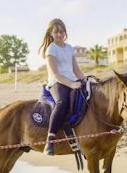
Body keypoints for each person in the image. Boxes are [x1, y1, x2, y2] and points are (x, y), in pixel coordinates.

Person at [39, 18, 86, 155]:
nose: (59, 34)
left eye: (62, 31)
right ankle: (50, 139)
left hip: (71, 80)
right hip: (56, 82)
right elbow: (55, 73)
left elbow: (76, 70)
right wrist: (71, 84)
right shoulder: (51, 49)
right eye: (56, 32)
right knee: (62, 102)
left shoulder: (70, 48)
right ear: (51, 34)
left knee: (88, 96)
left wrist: (87, 80)